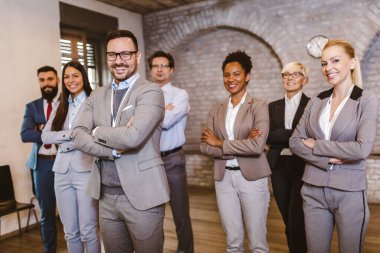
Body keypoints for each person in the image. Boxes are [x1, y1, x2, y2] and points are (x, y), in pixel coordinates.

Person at [72, 29, 170, 253]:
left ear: (137, 56)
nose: (119, 61)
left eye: (126, 54)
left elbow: (133, 137)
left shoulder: (151, 91)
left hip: (143, 195)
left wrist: (95, 130)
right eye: (112, 55)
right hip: (106, 196)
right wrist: (113, 150)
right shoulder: (96, 95)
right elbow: (77, 135)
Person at [289, 39, 378, 253]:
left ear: (352, 63)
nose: (328, 68)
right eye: (324, 63)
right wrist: (327, 157)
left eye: (335, 60)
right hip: (312, 190)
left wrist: (317, 145)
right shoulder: (316, 100)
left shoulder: (366, 99)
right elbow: (295, 141)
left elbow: (361, 149)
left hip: (349, 192)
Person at [200, 50, 271, 253]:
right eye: (226, 75)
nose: (231, 79)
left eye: (236, 74)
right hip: (223, 180)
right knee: (232, 242)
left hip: (253, 179)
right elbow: (205, 145)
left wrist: (220, 143)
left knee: (257, 243)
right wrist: (241, 145)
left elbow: (257, 146)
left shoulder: (258, 106)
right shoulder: (216, 108)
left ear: (247, 76)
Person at [41, 61, 100, 253]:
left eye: (75, 75)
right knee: (69, 232)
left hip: (86, 169)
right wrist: (73, 134)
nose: (70, 80)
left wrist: (66, 136)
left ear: (83, 76)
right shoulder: (60, 104)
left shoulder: (93, 101)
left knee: (88, 231)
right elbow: (46, 136)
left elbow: (97, 134)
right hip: (61, 171)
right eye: (66, 76)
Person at [148, 50, 194, 253]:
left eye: (163, 66)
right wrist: (164, 108)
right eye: (155, 66)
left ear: (171, 69)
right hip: (150, 160)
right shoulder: (145, 94)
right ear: (150, 70)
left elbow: (165, 122)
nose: (159, 69)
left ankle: (185, 250)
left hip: (173, 158)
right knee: (153, 213)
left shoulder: (180, 95)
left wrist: (150, 114)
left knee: (180, 212)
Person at [265, 62, 309, 253]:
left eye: (295, 74)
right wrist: (293, 134)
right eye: (286, 74)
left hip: (302, 166)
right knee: (286, 217)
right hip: (278, 166)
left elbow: (309, 135)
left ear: (304, 80)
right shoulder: (272, 106)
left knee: (296, 218)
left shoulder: (312, 105)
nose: (290, 78)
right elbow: (267, 135)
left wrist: (281, 134)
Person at [20, 66, 59, 253]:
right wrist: (50, 133)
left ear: (57, 79)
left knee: (71, 212)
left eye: (50, 79)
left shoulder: (66, 104)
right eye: (42, 80)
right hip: (42, 165)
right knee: (47, 214)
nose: (46, 83)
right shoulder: (32, 107)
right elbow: (25, 134)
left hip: (64, 163)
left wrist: (40, 129)